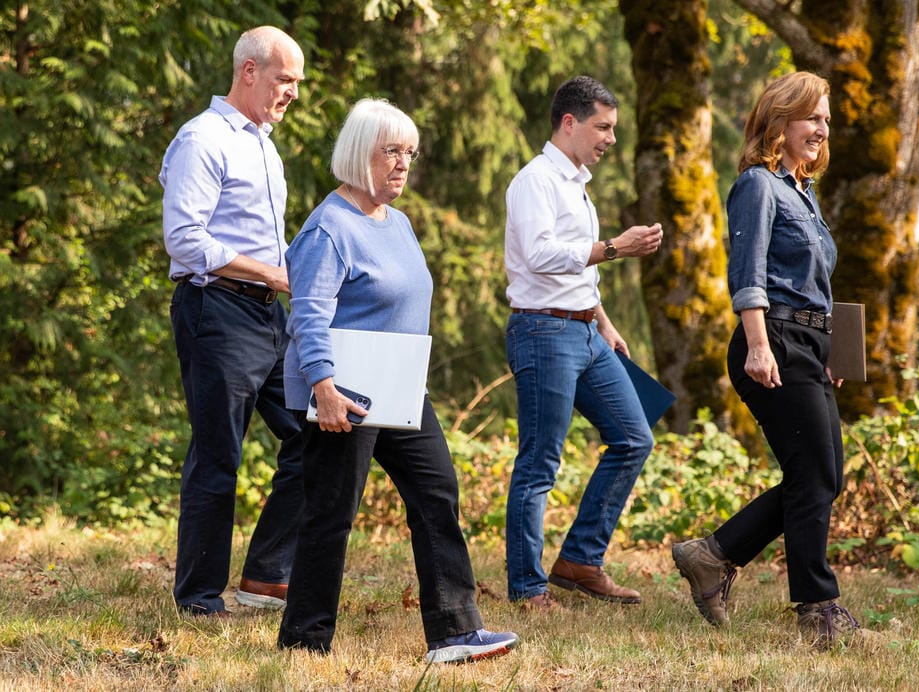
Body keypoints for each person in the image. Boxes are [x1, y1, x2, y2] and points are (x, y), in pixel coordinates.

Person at [275, 98, 518, 664]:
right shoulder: (328, 228)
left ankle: (455, 631)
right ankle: (304, 643)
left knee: (436, 493)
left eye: (410, 152)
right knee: (331, 513)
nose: (404, 163)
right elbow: (307, 314)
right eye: (392, 151)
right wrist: (323, 387)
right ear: (361, 153)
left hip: (401, 392)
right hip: (341, 393)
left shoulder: (399, 222)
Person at [671, 71, 863, 649]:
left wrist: (833, 349)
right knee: (814, 474)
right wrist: (757, 344)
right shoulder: (758, 186)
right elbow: (748, 273)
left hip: (808, 344)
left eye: (827, 120)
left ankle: (712, 555)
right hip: (771, 338)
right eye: (813, 117)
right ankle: (817, 608)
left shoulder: (803, 191)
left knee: (824, 475)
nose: (822, 129)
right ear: (779, 120)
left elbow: (817, 285)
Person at [160, 25, 306, 617]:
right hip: (216, 307)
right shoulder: (203, 139)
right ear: (249, 71)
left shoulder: (263, 144)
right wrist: (272, 275)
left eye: (297, 82)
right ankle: (198, 597)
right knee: (220, 454)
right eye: (285, 79)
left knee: (313, 434)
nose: (293, 92)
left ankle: (268, 574)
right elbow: (184, 239)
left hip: (271, 316)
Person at [503, 75, 664, 609]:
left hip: (585, 329)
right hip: (542, 331)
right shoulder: (535, 181)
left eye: (613, 128)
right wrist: (615, 247)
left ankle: (579, 561)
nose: (610, 139)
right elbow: (541, 256)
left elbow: (572, 273)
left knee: (634, 437)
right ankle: (527, 586)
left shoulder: (577, 183)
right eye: (603, 127)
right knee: (540, 462)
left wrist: (604, 321)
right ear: (569, 123)